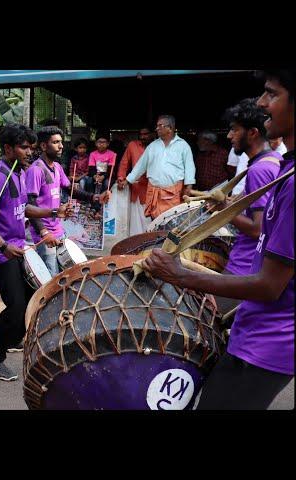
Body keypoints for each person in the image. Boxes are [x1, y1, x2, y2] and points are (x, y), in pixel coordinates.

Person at [142, 70, 294, 410]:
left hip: (269, 342)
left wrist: (181, 274)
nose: (261, 102)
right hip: (255, 329)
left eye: (272, 94)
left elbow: (271, 285)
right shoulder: (283, 168)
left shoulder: (276, 174)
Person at [0, 123, 72, 381]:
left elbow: (24, 209)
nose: (29, 152)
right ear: (8, 148)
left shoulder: (18, 172)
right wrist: (2, 244)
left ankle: (15, 338)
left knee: (32, 298)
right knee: (16, 306)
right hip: (1, 254)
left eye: (31, 147)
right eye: (24, 147)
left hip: (19, 249)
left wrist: (54, 212)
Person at [212, 98, 282, 317]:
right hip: (254, 264)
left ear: (252, 133)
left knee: (206, 317)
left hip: (244, 266)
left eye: (234, 130)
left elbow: (257, 228)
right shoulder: (274, 159)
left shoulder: (258, 171)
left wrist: (224, 207)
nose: (229, 136)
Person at [25, 126, 105, 276]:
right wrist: (43, 232)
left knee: (65, 275)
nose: (61, 146)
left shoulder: (57, 167)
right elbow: (30, 205)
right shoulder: (36, 170)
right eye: (55, 142)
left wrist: (94, 197)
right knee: (50, 279)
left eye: (61, 142)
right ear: (43, 146)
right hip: (44, 234)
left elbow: (70, 189)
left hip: (59, 231)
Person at [126, 115, 195, 219]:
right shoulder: (153, 146)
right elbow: (140, 166)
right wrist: (127, 181)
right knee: (155, 223)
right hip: (154, 193)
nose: (156, 128)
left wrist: (188, 186)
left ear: (170, 128)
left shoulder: (183, 145)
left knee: (172, 222)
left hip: (173, 193)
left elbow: (190, 168)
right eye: (157, 126)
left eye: (160, 126)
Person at [117, 127, 153, 235]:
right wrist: (121, 178)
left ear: (152, 134)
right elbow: (124, 163)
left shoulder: (157, 146)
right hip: (136, 188)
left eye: (146, 134)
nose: (143, 137)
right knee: (135, 220)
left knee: (150, 220)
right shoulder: (132, 145)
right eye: (141, 134)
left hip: (152, 188)